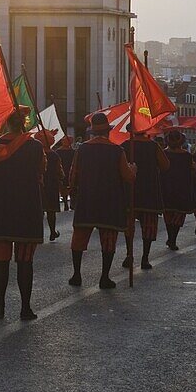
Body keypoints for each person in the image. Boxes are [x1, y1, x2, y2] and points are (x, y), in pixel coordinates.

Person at [0, 107, 45, 318]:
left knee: (1, 260)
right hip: (26, 207)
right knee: (25, 260)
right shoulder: (36, 146)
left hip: (1, 207)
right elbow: (41, 171)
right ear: (25, 122)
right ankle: (25, 308)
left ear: (6, 123)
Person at [68, 112, 136, 290]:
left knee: (79, 238)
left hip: (87, 199)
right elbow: (127, 176)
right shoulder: (117, 151)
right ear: (108, 131)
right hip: (110, 201)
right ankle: (104, 277)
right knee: (108, 240)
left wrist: (73, 190)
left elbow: (73, 174)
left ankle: (76, 274)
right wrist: (133, 169)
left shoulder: (82, 149)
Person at [122, 129, 169, 270]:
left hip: (130, 191)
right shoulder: (153, 146)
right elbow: (165, 165)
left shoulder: (125, 145)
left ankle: (129, 255)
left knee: (129, 227)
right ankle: (145, 258)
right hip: (149, 191)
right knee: (148, 226)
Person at [159, 130, 196, 250]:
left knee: (168, 215)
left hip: (166, 187)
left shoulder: (163, 154)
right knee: (179, 215)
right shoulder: (187, 156)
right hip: (182, 188)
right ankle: (173, 238)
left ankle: (171, 237)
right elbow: (191, 170)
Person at [41, 132, 65, 242]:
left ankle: (38, 233)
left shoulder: (34, 153)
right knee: (51, 212)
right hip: (51, 185)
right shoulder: (54, 155)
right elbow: (59, 171)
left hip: (38, 185)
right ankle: (52, 232)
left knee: (38, 211)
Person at [57, 135, 76, 211]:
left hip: (68, 170)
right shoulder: (58, 152)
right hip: (64, 170)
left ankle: (69, 203)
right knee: (65, 187)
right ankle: (67, 203)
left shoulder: (73, 152)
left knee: (68, 187)